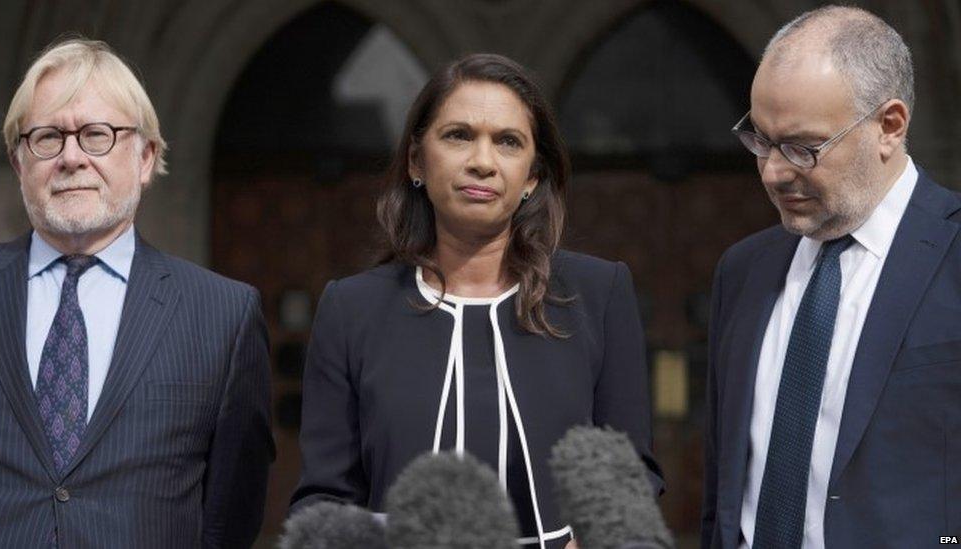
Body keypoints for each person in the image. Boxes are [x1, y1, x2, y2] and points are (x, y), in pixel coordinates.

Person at [291, 53, 662, 549]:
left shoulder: (598, 294)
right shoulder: (351, 309)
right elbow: (324, 497)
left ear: (532, 175)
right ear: (417, 161)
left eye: (508, 142)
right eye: (458, 135)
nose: (482, 162)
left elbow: (630, 469)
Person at [0, 38, 274, 547]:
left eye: (97, 135)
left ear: (145, 157)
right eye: (47, 137)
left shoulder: (223, 315)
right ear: (18, 163)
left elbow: (231, 515)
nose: (71, 157)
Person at [703, 6, 961, 549]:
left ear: (889, 126)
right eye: (759, 140)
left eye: (802, 147)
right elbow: (726, 489)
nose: (774, 171)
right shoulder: (742, 270)